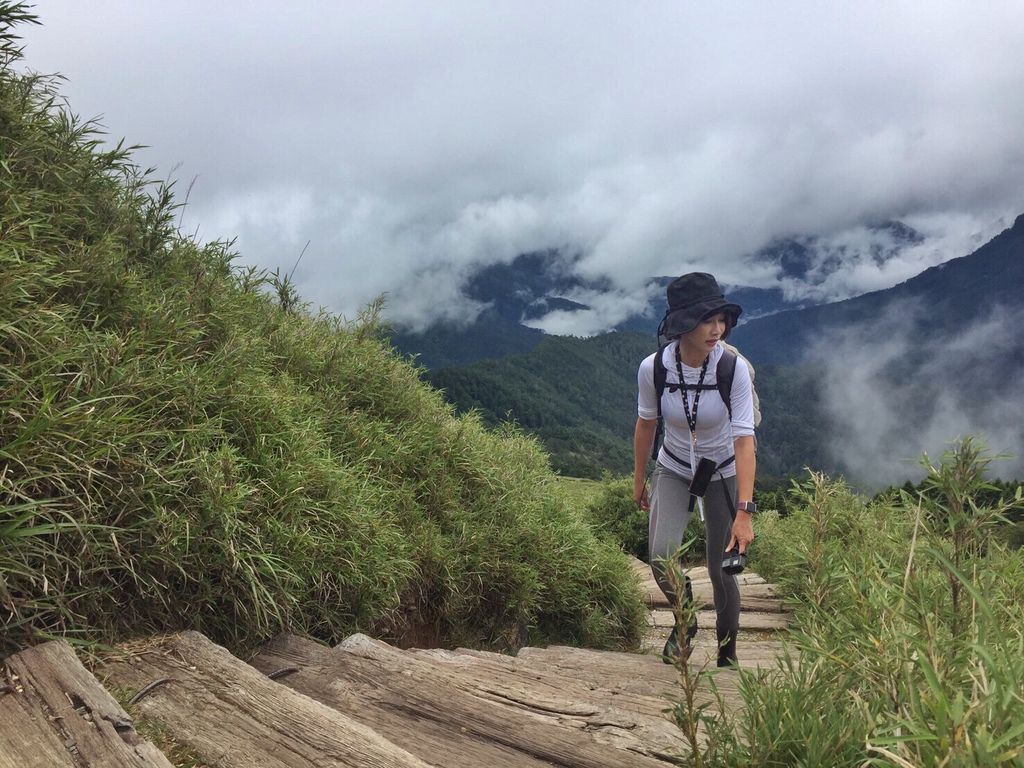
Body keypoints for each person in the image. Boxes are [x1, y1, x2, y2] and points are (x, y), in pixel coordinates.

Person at [633, 272, 756, 668]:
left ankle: (727, 654)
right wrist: (639, 479)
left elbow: (743, 440)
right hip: (673, 466)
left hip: (721, 470)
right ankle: (684, 620)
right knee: (660, 556)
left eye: (722, 319)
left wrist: (744, 511)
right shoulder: (654, 369)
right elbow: (646, 423)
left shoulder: (732, 368)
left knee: (722, 570)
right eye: (708, 320)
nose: (718, 329)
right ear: (683, 325)